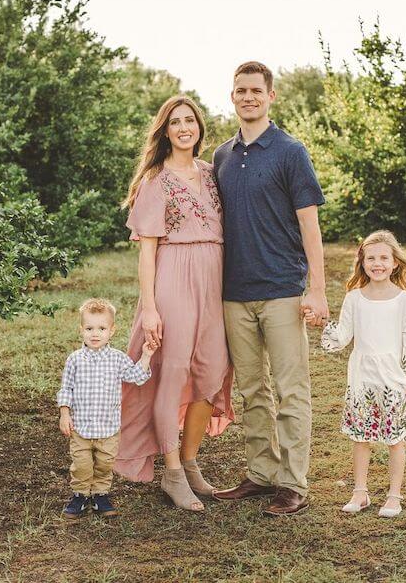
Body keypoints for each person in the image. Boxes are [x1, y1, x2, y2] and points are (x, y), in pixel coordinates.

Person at [212, 61, 329, 516]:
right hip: (233, 292)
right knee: (252, 390)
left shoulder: (290, 152)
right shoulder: (221, 157)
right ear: (233, 96)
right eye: (240, 90)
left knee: (291, 389)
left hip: (282, 288)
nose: (248, 97)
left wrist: (315, 290)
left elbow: (310, 227)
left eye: (256, 90)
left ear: (270, 96)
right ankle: (262, 473)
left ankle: (293, 482)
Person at [114, 95, 234, 512]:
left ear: (199, 127)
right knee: (174, 370)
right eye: (176, 122)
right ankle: (171, 472)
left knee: (213, 369)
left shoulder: (211, 172)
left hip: (214, 278)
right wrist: (149, 308)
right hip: (174, 278)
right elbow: (146, 252)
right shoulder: (155, 180)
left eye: (190, 120)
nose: (184, 127)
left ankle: (190, 459)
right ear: (165, 131)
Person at [314, 230, 406, 518]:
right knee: (360, 438)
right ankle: (360, 491)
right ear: (362, 262)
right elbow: (343, 337)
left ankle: (394, 495)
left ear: (395, 263)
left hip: (393, 379)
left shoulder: (404, 300)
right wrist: (322, 323)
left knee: (395, 440)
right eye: (371, 258)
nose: (377, 263)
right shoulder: (354, 298)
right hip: (361, 379)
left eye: (383, 258)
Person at [57, 298, 156, 521]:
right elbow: (66, 389)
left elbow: (136, 377)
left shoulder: (117, 359)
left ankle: (100, 495)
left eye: (101, 328)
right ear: (81, 330)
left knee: (104, 464)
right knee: (81, 465)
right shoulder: (75, 360)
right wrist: (65, 414)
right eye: (90, 328)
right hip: (80, 427)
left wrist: (147, 356)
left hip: (108, 428)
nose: (95, 333)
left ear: (111, 331)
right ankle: (80, 496)